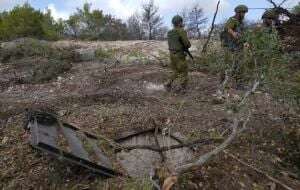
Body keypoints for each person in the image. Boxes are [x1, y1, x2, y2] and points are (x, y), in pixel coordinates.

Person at [220, 5, 249, 89]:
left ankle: (239, 84)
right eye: (243, 13)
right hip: (230, 47)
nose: (244, 15)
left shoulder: (241, 23)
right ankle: (223, 83)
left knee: (240, 66)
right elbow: (227, 28)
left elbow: (243, 35)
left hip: (239, 48)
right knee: (227, 65)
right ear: (238, 13)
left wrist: (246, 42)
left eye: (244, 13)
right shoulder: (232, 20)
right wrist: (233, 33)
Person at [165, 15, 191, 93]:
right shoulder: (181, 31)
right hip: (179, 54)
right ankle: (183, 88)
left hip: (171, 54)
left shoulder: (169, 32)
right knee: (184, 71)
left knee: (175, 70)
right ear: (180, 22)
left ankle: (168, 83)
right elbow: (187, 44)